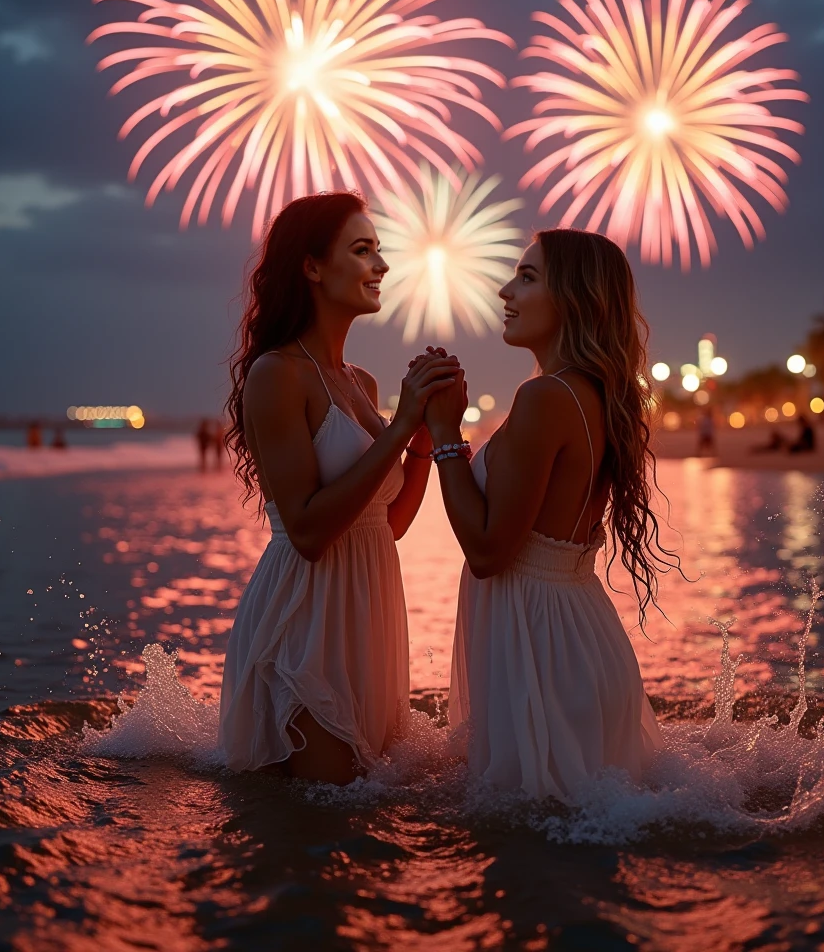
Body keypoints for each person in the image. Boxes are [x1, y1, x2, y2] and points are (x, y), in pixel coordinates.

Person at [218, 191, 460, 785]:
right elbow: (306, 531)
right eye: (361, 250)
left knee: (360, 821)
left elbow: (387, 524)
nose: (380, 266)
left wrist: (424, 438)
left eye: (379, 251)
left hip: (368, 611)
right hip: (306, 616)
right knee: (317, 824)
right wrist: (400, 426)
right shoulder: (278, 374)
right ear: (312, 266)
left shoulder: (361, 381)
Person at [424, 228, 673, 802]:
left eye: (528, 277)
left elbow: (488, 553)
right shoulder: (588, 392)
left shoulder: (546, 398)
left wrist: (443, 435)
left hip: (542, 649)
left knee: (531, 855)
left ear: (574, 298)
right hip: (575, 635)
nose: (505, 290)